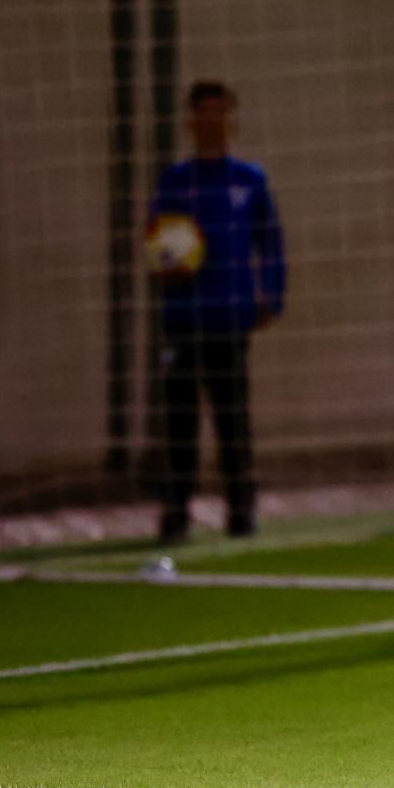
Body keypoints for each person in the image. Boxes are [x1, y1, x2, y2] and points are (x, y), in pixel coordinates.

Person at [151, 81, 286, 544]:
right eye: (202, 113)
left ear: (232, 120)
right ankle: (174, 515)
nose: (211, 122)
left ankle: (241, 512)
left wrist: (271, 294)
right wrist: (169, 262)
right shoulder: (175, 182)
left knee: (233, 420)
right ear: (191, 121)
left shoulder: (249, 180)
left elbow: (270, 241)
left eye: (219, 113)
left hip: (231, 317)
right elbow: (158, 243)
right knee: (179, 422)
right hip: (184, 318)